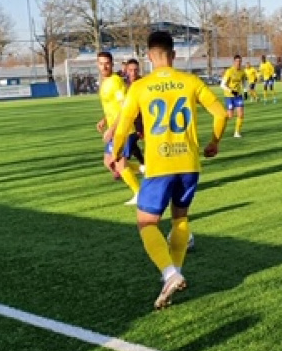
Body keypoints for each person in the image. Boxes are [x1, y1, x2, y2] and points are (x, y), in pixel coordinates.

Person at [109, 30, 227, 309]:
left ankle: (170, 273)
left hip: (160, 164)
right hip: (189, 163)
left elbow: (124, 126)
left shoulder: (139, 87)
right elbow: (221, 113)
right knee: (180, 220)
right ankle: (172, 274)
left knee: (147, 223)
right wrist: (214, 143)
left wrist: (115, 155)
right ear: (173, 55)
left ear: (149, 56)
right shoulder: (191, 81)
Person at [96, 50, 141, 204]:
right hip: (115, 128)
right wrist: (104, 120)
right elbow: (112, 107)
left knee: (119, 164)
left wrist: (112, 129)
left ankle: (139, 193)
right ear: (98, 65)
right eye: (101, 64)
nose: (104, 67)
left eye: (107, 63)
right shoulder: (104, 82)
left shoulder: (115, 82)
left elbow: (124, 108)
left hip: (123, 130)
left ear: (112, 64)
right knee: (109, 162)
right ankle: (144, 169)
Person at [122, 57, 146, 172]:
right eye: (130, 70)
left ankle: (122, 165)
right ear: (126, 70)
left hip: (141, 119)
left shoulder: (143, 84)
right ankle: (143, 163)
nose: (133, 73)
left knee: (131, 140)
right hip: (127, 118)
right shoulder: (123, 85)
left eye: (135, 70)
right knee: (131, 141)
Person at [220, 54, 246, 138]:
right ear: (234, 62)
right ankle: (220, 123)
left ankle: (237, 132)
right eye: (237, 61)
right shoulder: (229, 71)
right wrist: (231, 90)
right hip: (229, 96)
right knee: (230, 116)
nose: (238, 63)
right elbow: (222, 85)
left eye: (240, 61)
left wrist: (245, 91)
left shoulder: (242, 72)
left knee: (241, 114)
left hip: (238, 95)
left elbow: (244, 82)